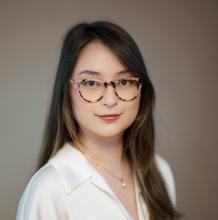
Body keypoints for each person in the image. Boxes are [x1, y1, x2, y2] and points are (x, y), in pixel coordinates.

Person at [16, 21, 180, 220]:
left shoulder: (160, 172)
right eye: (91, 83)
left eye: (125, 81)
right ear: (67, 91)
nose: (110, 100)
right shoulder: (49, 190)